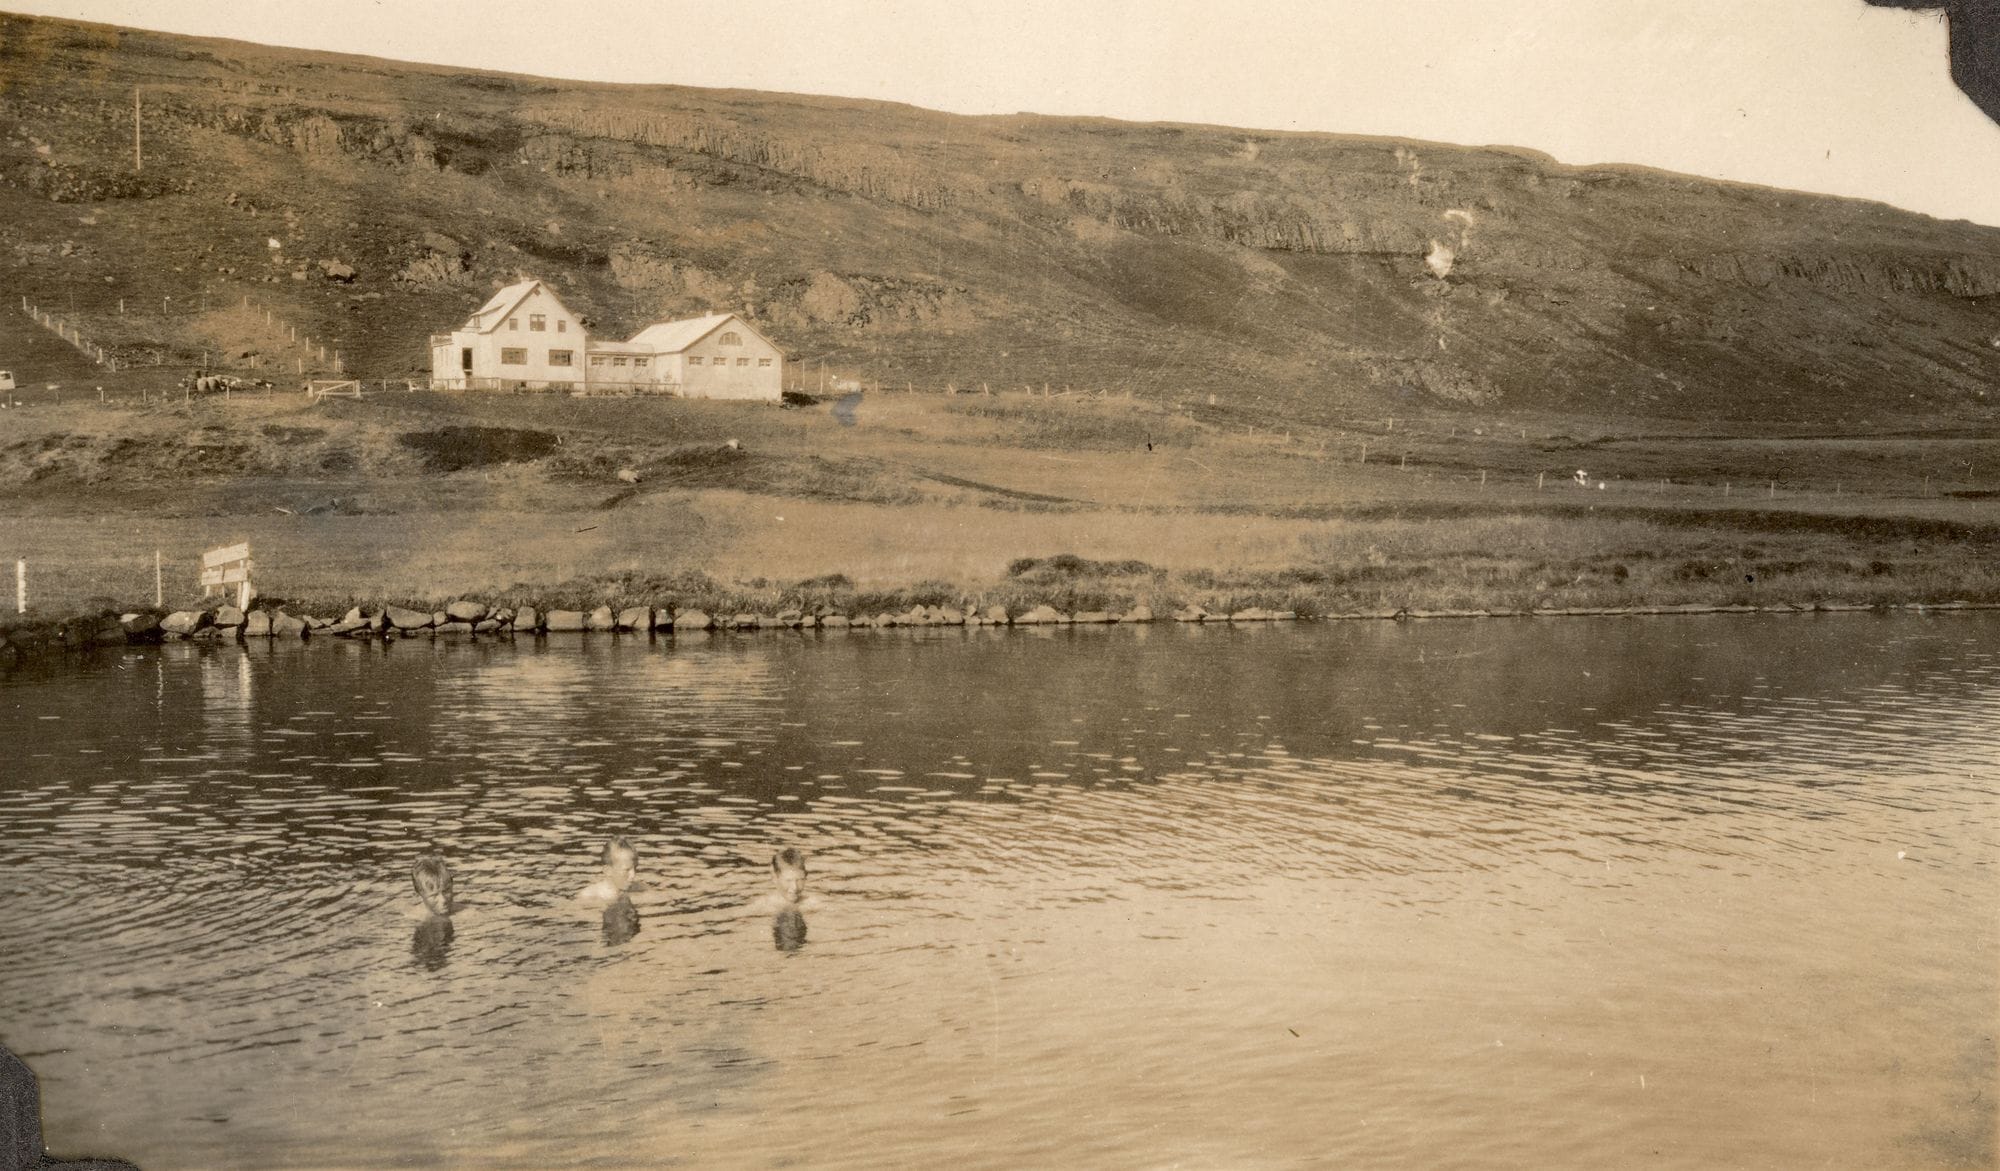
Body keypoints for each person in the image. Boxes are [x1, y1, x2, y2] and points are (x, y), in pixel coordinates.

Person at [578, 836, 638, 906]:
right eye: (627, 870)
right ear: (608, 871)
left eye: (635, 868)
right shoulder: (589, 896)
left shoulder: (638, 888)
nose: (633, 875)